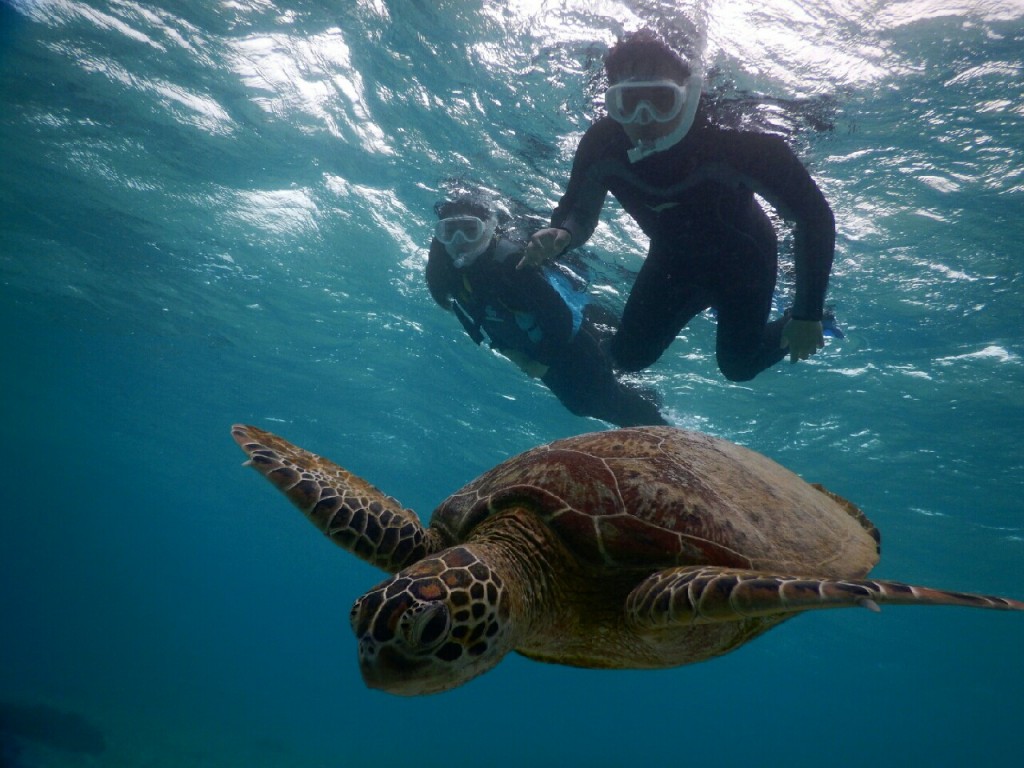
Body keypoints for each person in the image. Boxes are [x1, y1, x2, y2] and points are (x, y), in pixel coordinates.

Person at [520, 29, 836, 382]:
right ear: (612, 103)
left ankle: (821, 318)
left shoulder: (738, 139)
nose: (644, 118)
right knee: (628, 357)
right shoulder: (602, 144)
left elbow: (814, 217)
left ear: (689, 94)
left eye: (661, 98)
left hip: (744, 263)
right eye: (628, 103)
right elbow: (578, 211)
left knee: (739, 366)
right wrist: (562, 234)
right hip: (674, 262)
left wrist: (808, 314)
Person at [426, 194, 667, 427]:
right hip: (541, 354)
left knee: (606, 404)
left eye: (470, 230)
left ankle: (670, 440)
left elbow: (560, 317)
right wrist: (515, 353)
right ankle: (655, 422)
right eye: (449, 232)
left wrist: (542, 361)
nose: (459, 241)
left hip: (571, 346)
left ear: (489, 228)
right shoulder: (449, 274)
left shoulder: (514, 264)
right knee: (583, 406)